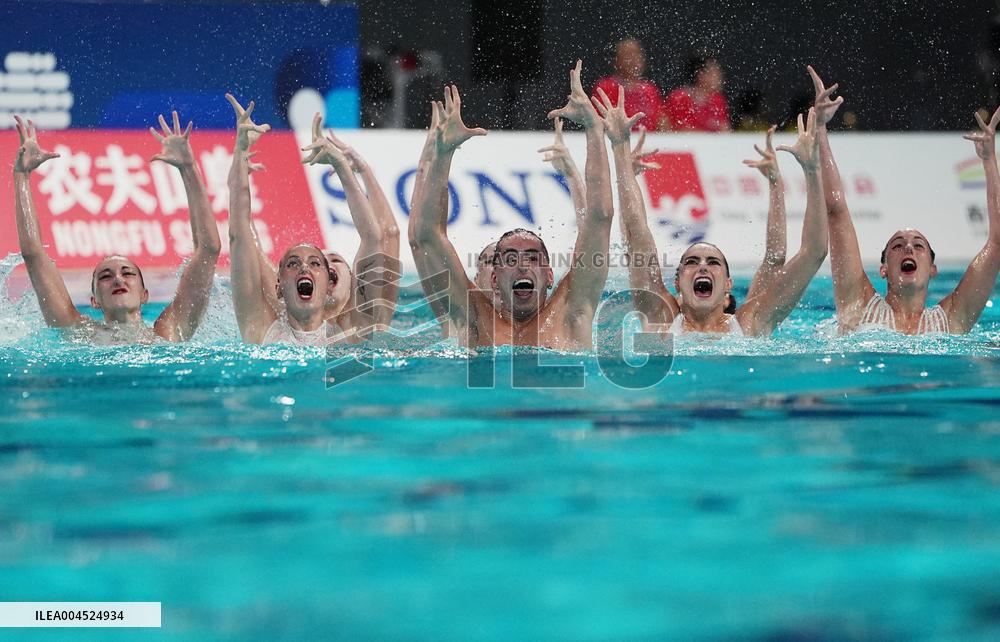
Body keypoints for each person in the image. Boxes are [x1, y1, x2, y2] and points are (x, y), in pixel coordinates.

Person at [409, 62, 614, 350]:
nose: (521, 266)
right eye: (509, 259)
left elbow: (600, 217)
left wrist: (593, 128)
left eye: (532, 257)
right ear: (493, 278)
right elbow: (427, 235)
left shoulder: (570, 312)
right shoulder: (472, 317)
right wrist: (443, 154)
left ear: (550, 274)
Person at [610, 87, 828, 336]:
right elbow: (636, 234)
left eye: (712, 262)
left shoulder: (750, 324)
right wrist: (620, 150)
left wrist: (812, 171)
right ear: (677, 283)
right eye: (691, 262)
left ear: (728, 285)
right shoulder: (661, 318)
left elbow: (813, 252)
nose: (702, 267)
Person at [809, 66, 1000, 334]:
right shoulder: (858, 305)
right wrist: (820, 127)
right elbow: (836, 211)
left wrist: (989, 161)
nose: (908, 249)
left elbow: (997, 243)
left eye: (918, 246)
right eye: (897, 246)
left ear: (933, 269)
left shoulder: (952, 319)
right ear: (884, 269)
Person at [12, 113, 221, 344]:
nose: (118, 280)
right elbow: (33, 255)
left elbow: (209, 249)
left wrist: (188, 168)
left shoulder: (169, 332)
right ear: (94, 301)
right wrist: (21, 175)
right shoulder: (79, 333)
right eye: (105, 276)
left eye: (128, 273)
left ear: (145, 295)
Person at [225, 95, 400, 345]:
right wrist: (241, 152)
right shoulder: (260, 327)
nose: (305, 268)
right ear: (278, 285)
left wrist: (342, 166)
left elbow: (374, 237)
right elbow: (239, 234)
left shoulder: (352, 332)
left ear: (329, 284)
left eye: (317, 264)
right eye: (293, 264)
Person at [592, 39, 663, 132]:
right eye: (628, 54)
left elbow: (661, 122)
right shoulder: (606, 87)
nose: (633, 58)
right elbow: (596, 123)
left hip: (647, 142)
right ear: (616, 60)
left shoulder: (650, 89)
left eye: (637, 53)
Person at [662, 51, 730, 132]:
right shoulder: (679, 98)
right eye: (713, 72)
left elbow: (725, 131)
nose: (719, 76)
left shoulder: (718, 100)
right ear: (700, 75)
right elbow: (680, 131)